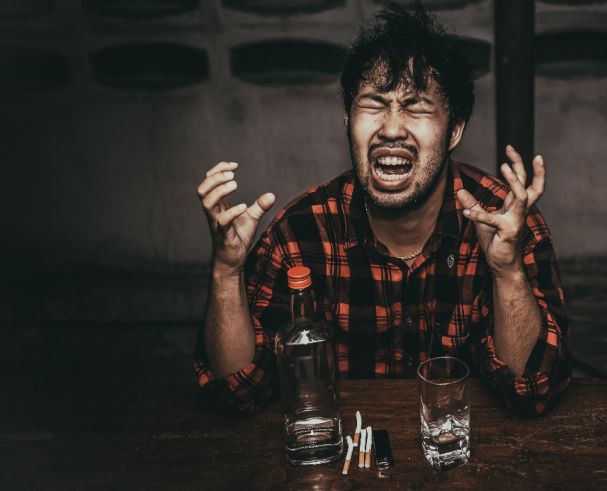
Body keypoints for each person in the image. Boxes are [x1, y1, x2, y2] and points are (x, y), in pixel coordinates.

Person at [193, 3, 571, 418]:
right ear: (347, 119)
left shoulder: (504, 223)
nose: (391, 128)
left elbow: (530, 389)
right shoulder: (300, 234)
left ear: (454, 131)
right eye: (373, 105)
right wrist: (226, 270)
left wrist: (506, 270)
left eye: (417, 107)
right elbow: (236, 392)